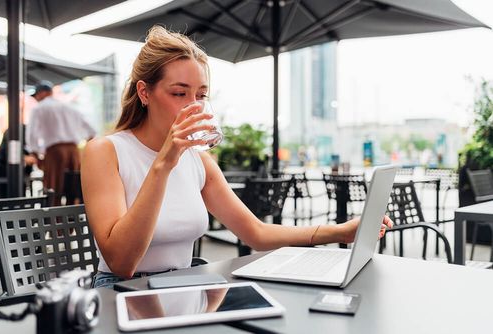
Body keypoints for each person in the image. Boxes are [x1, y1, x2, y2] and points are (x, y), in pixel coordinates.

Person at [81, 26, 392, 289]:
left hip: (183, 287)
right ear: (145, 93)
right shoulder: (106, 151)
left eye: (201, 95)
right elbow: (122, 263)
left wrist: (341, 230)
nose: (194, 107)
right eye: (179, 93)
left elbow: (255, 233)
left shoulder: (198, 160)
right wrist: (164, 163)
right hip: (120, 292)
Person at [26, 80, 96, 205]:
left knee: (54, 189)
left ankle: (56, 222)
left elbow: (32, 134)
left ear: (44, 93)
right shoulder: (70, 107)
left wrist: (36, 153)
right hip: (74, 151)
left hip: (54, 152)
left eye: (36, 95)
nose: (36, 98)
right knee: (74, 189)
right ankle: (72, 221)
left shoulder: (39, 108)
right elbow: (92, 131)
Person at [0, 125, 37, 197]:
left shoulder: (25, 149)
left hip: (19, 188)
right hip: (4, 187)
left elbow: (28, 172)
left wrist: (28, 163)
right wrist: (22, 158)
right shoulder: (5, 150)